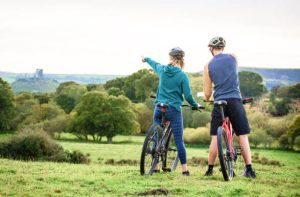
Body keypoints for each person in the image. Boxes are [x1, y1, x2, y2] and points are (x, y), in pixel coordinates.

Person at [142, 47, 201, 176]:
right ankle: (185, 170)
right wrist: (195, 105)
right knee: (179, 140)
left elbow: (153, 63)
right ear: (182, 60)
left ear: (170, 58)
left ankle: (156, 166)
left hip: (159, 108)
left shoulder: (162, 70)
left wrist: (145, 59)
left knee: (156, 136)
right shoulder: (182, 75)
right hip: (173, 110)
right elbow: (188, 96)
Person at [203, 37, 256, 178]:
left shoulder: (208, 65)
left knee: (215, 136)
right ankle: (249, 169)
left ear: (210, 49)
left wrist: (207, 98)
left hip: (219, 102)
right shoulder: (233, 57)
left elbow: (208, 92)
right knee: (242, 136)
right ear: (223, 47)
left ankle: (209, 169)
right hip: (234, 100)